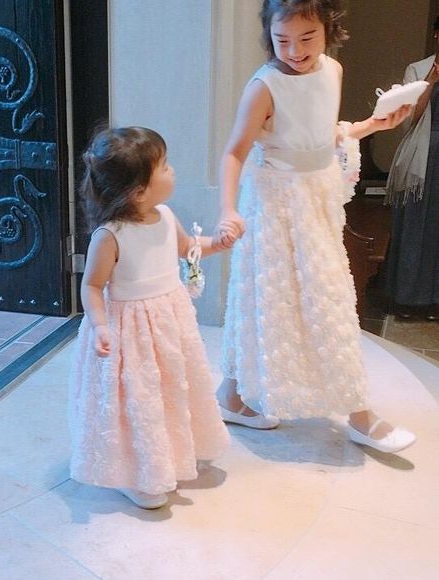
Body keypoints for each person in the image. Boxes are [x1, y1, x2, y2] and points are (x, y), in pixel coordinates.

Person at [215, 0, 416, 453]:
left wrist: (374, 124)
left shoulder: (333, 71)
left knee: (326, 299)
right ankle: (357, 414)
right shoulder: (263, 87)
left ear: (329, 29)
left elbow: (321, 137)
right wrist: (227, 209)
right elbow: (234, 152)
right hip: (274, 204)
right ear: (269, 36)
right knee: (265, 298)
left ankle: (232, 396)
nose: (295, 50)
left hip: (316, 202)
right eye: (282, 40)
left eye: (306, 38)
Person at [69, 126, 231, 509]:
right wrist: (100, 326)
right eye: (165, 166)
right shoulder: (110, 235)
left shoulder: (166, 216)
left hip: (169, 322)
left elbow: (187, 248)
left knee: (170, 389)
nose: (172, 171)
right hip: (130, 332)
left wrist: (217, 243)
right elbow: (92, 286)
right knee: (138, 399)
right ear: (138, 191)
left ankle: (171, 452)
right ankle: (136, 471)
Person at [385, 17, 439, 321]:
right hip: (422, 155)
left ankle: (435, 301)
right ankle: (407, 299)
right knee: (415, 228)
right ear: (436, 34)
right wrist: (431, 80)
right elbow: (409, 119)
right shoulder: (417, 70)